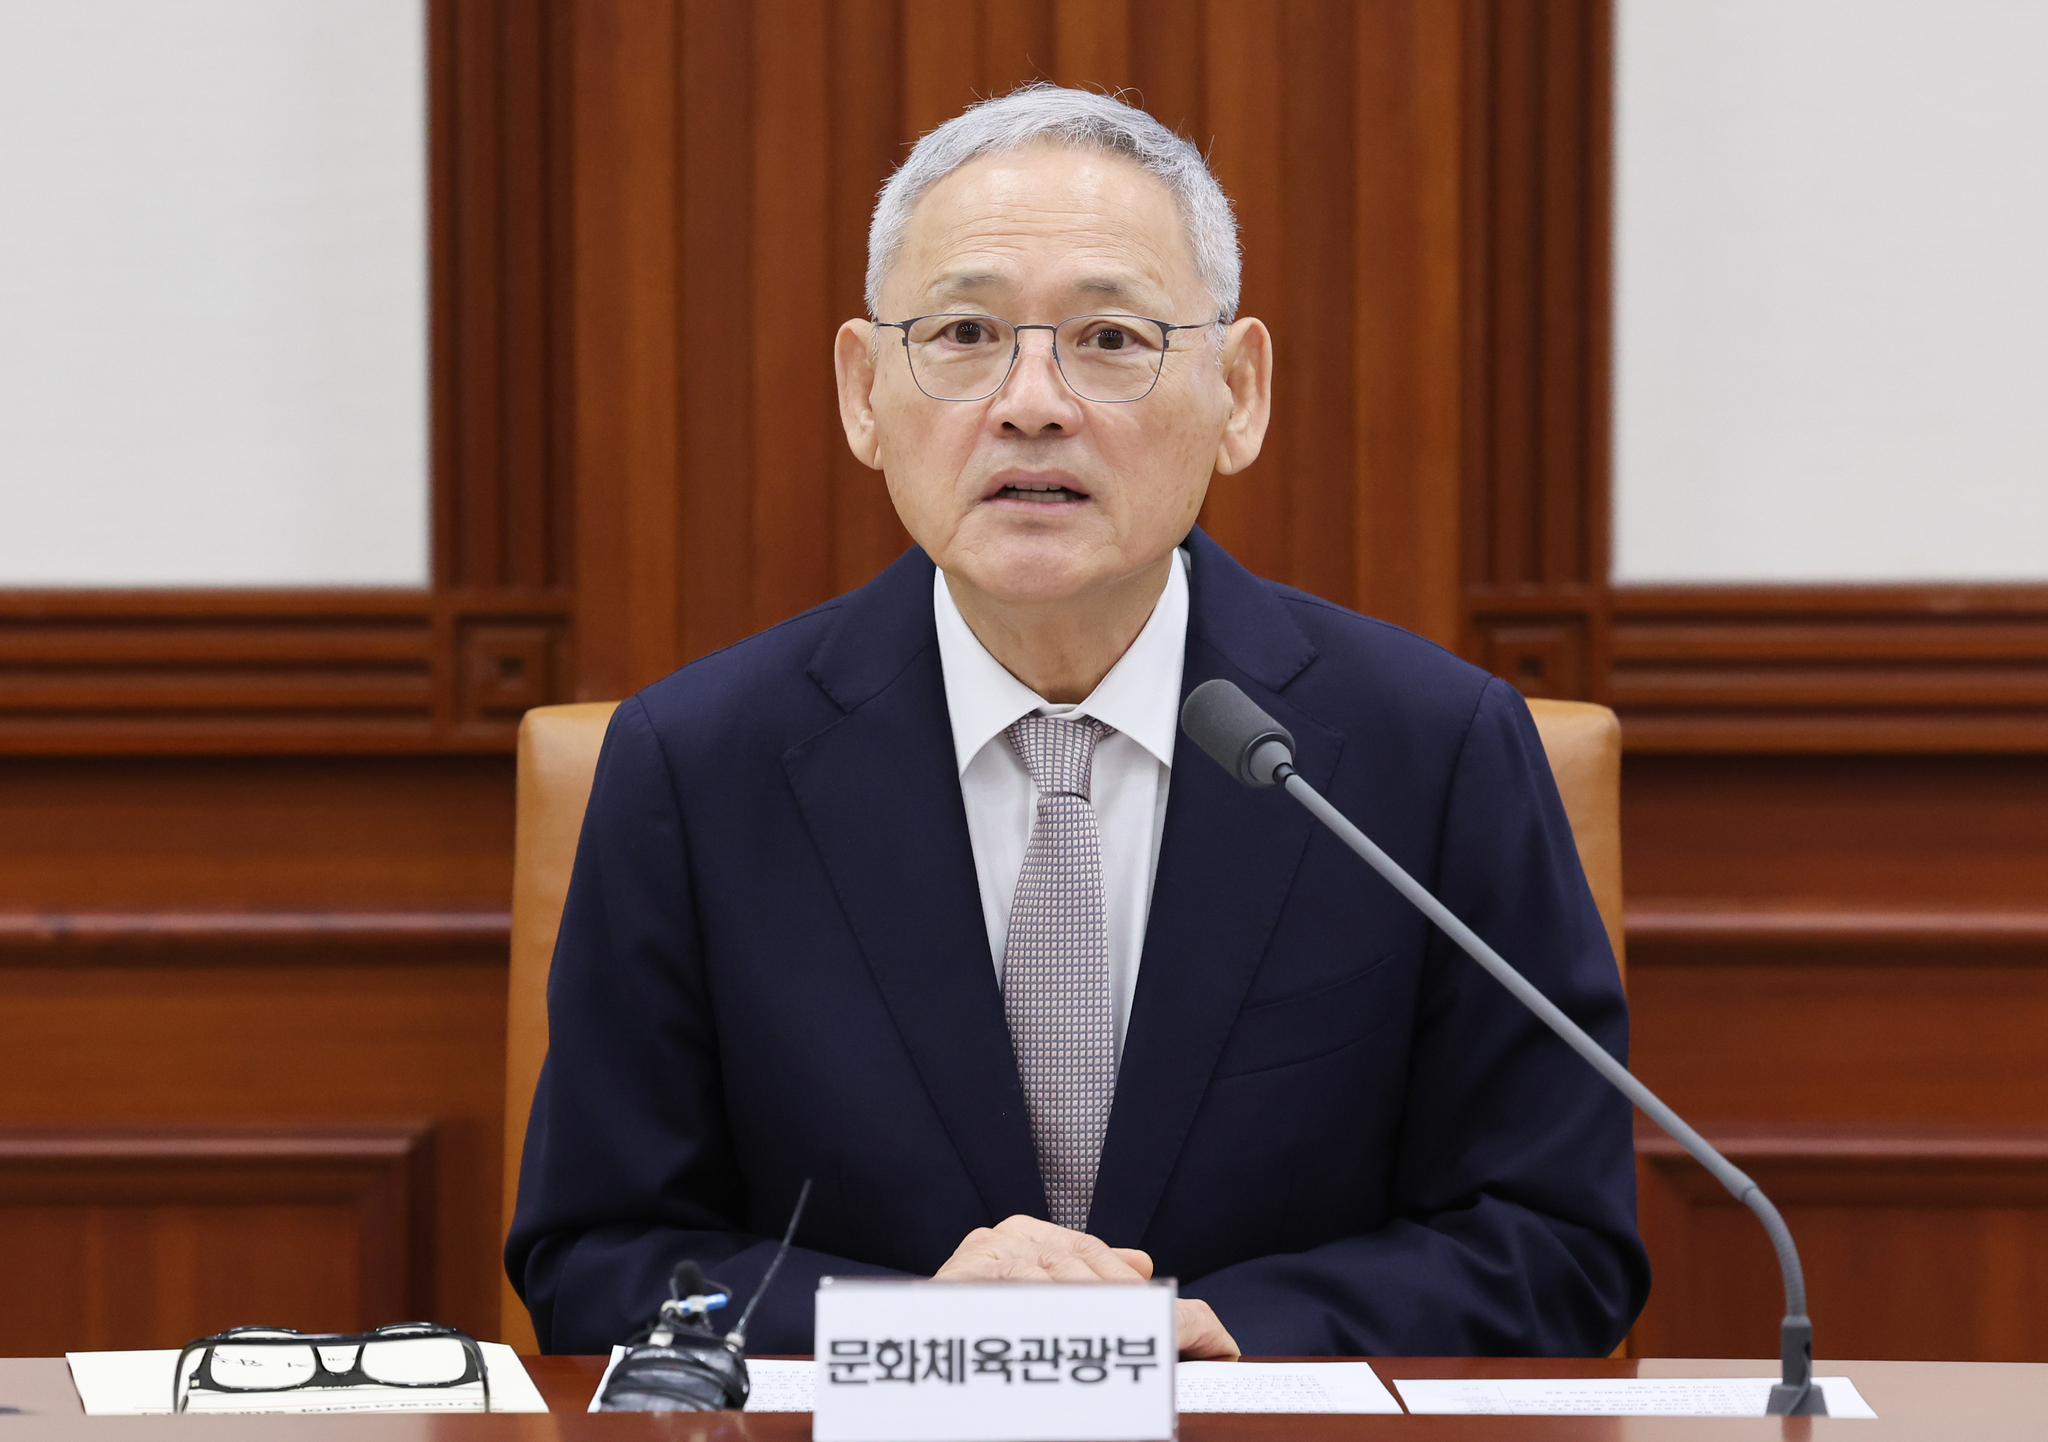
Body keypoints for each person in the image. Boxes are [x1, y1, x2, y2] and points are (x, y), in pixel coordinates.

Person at [507, 84, 1647, 1360]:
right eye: (962, 332)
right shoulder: (696, 765)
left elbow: (1555, 1241)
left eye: (1110, 337)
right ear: (861, 392)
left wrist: (1204, 1331)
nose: (1031, 400)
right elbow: (595, 1252)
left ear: (1240, 390)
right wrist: (913, 1330)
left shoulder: (1427, 752)